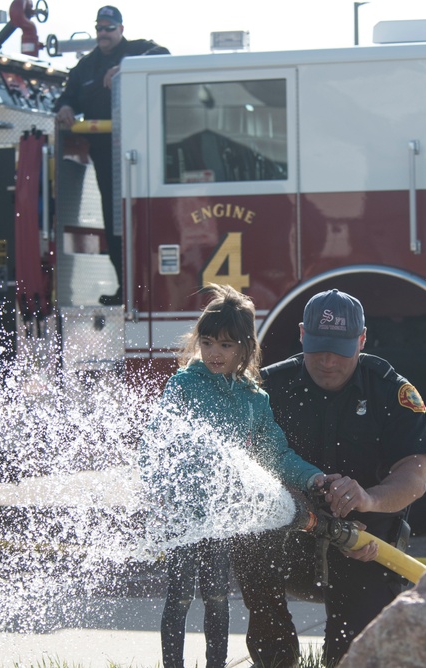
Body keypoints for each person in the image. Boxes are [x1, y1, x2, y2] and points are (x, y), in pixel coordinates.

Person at [234, 289, 426, 667]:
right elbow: (242, 469)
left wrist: (369, 500)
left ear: (362, 340)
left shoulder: (391, 391)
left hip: (365, 547)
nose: (327, 361)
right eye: (318, 348)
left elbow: (415, 476)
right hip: (292, 540)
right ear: (300, 335)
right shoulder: (268, 389)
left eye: (340, 350)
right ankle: (276, 652)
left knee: (352, 657)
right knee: (245, 537)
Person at [152, 284, 326, 668]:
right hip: (182, 512)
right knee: (179, 597)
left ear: (245, 349)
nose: (215, 353)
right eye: (209, 342)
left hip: (220, 516)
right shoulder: (183, 386)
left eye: (227, 346)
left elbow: (276, 454)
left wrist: (313, 478)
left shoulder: (253, 399)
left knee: (216, 596)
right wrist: (160, 492)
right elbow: (156, 442)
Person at [54, 5, 169, 306]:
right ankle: (125, 287)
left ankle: (155, 286)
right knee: (114, 225)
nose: (103, 33)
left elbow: (165, 54)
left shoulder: (138, 50)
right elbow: (67, 96)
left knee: (146, 218)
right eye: (99, 28)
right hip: (106, 157)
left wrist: (127, 67)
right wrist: (65, 107)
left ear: (120, 29)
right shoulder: (86, 67)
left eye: (109, 28)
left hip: (144, 153)